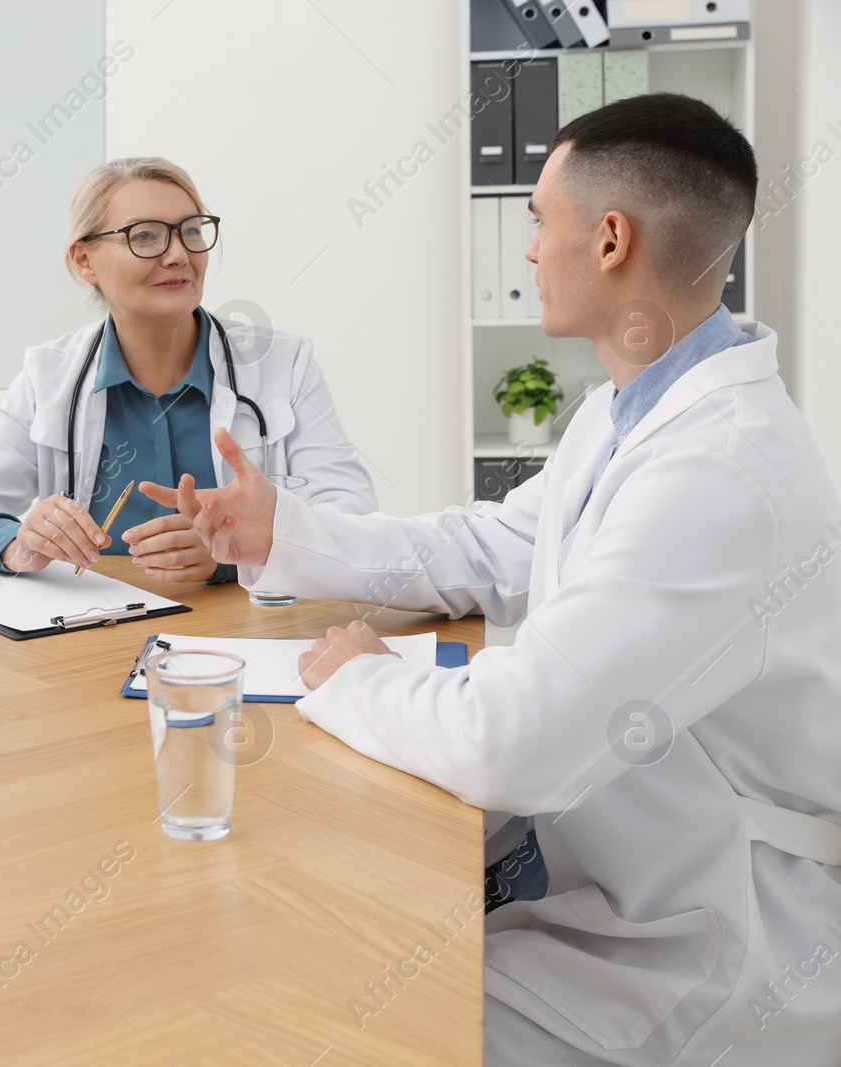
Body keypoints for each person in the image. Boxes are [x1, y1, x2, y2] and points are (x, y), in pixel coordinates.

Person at [148, 94, 841, 1064]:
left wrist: (353, 674)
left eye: (535, 222)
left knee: (324, 1011)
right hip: (606, 875)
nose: (525, 251)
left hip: (703, 942)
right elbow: (497, 547)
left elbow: (508, 742)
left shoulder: (720, 472)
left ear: (608, 240)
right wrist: (284, 531)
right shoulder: (626, 409)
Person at [0, 157, 375, 583]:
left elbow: (352, 517)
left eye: (191, 232)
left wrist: (236, 554)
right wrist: (18, 543)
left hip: (246, 635)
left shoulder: (281, 364)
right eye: (145, 236)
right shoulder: (49, 375)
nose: (179, 254)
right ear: (84, 261)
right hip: (90, 638)